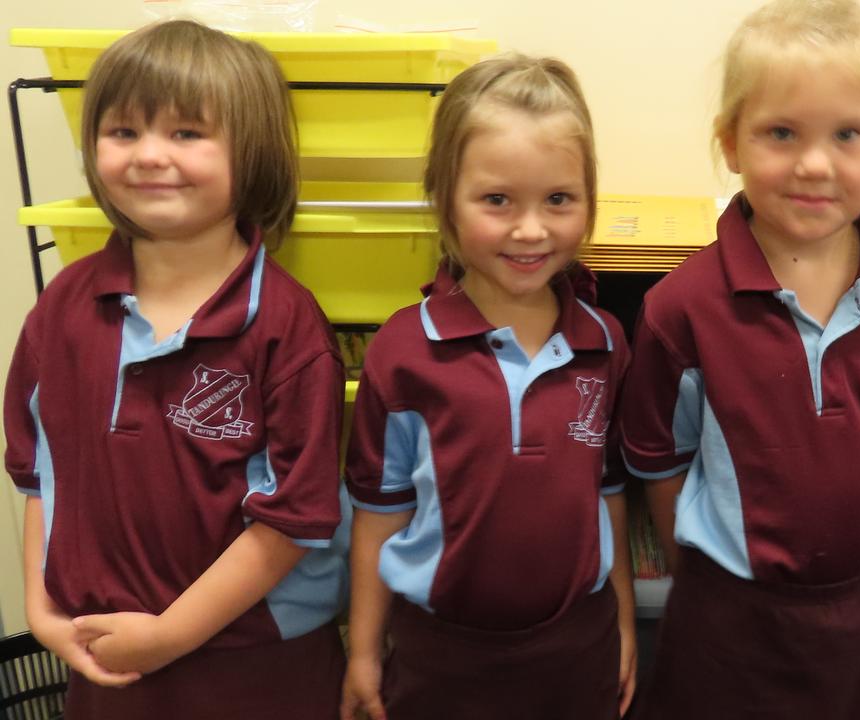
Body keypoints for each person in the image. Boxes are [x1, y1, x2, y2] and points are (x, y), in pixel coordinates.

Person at [4, 19, 349, 719]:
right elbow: (40, 471)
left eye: (187, 133)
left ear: (249, 153)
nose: (149, 156)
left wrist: (170, 636)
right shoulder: (62, 309)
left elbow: (294, 518)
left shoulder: (286, 324)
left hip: (259, 662)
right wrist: (42, 614)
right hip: (102, 657)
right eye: (123, 131)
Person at [618, 1, 860, 717]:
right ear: (730, 143)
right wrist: (704, 573)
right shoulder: (683, 307)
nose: (815, 164)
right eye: (781, 133)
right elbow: (659, 461)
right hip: (729, 616)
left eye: (847, 134)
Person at [340, 54, 636, 720]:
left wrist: (620, 625)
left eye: (558, 199)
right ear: (445, 198)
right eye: (497, 200)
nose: (531, 230)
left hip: (576, 651)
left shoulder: (606, 343)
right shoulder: (403, 351)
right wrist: (363, 652)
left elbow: (607, 495)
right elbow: (378, 515)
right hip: (441, 658)